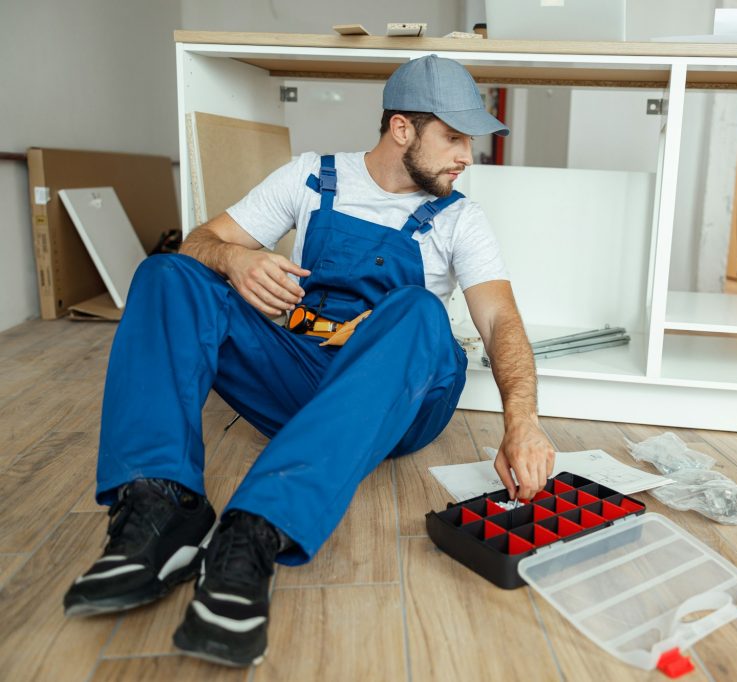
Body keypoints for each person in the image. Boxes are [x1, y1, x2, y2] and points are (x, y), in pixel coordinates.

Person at [63, 54, 556, 667]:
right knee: (168, 274)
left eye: (469, 142)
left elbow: (500, 321)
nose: (466, 157)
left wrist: (523, 421)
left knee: (420, 313)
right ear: (402, 128)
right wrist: (236, 260)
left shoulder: (462, 219)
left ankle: (254, 532)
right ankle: (160, 505)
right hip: (304, 371)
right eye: (453, 138)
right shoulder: (310, 177)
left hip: (398, 397)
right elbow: (198, 242)